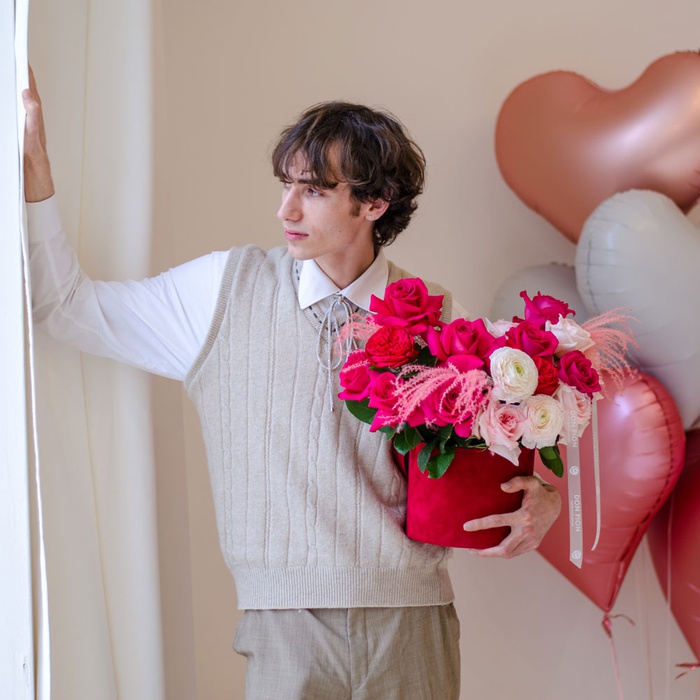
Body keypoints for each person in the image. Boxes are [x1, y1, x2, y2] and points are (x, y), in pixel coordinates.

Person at [23, 71, 561, 699]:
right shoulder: (223, 292)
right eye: (287, 185)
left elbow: (486, 453)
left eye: (314, 190)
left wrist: (545, 497)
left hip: (413, 620)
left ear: (375, 203)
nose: (286, 210)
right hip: (284, 625)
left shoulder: (434, 311)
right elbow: (63, 306)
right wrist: (34, 171)